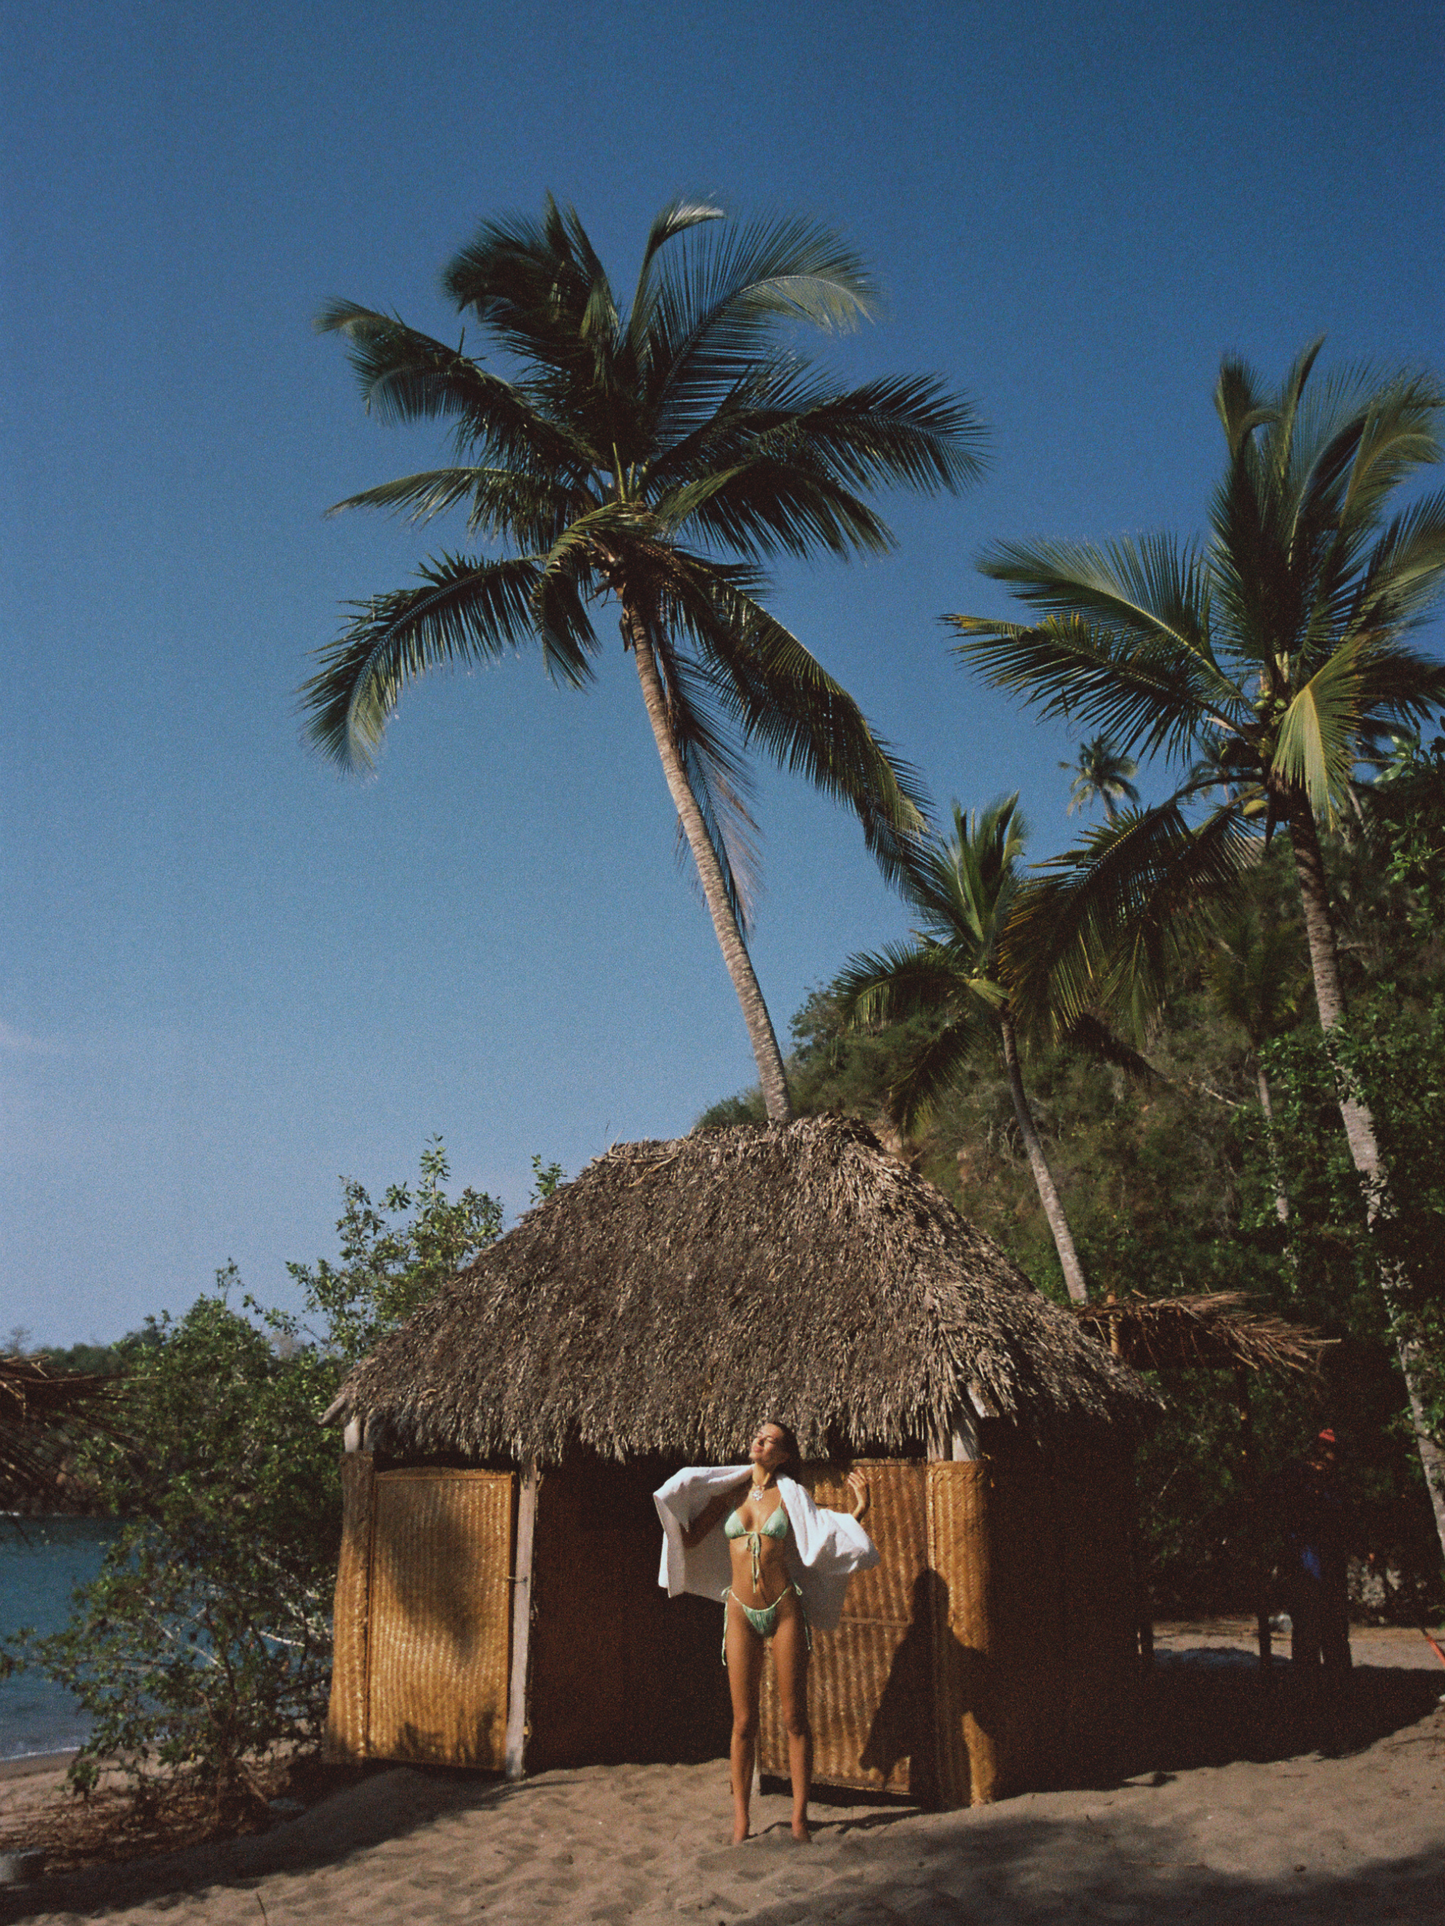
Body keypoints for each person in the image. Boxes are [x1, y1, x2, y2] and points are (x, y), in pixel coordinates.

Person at [654, 1421, 878, 1844]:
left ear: (784, 1455)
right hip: (740, 1610)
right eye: (757, 1434)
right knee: (743, 1722)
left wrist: (860, 1509)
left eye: (769, 1439)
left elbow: (822, 1537)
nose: (758, 1440)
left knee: (794, 1717)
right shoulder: (729, 1493)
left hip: (784, 1609)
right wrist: (669, 1504)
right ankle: (741, 1820)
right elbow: (689, 1537)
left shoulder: (793, 1497)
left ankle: (797, 1817)